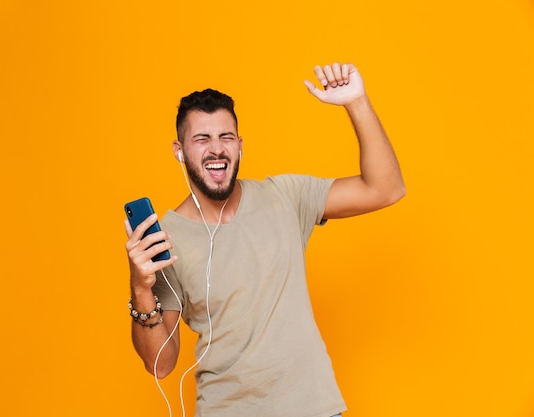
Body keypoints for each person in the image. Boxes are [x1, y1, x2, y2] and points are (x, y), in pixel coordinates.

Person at [124, 62, 406, 417]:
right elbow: (160, 364)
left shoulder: (285, 195)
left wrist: (357, 101)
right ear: (179, 151)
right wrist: (140, 287)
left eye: (226, 137)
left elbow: (386, 188)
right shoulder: (166, 238)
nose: (216, 150)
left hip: (315, 409)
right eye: (202, 139)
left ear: (240, 146)